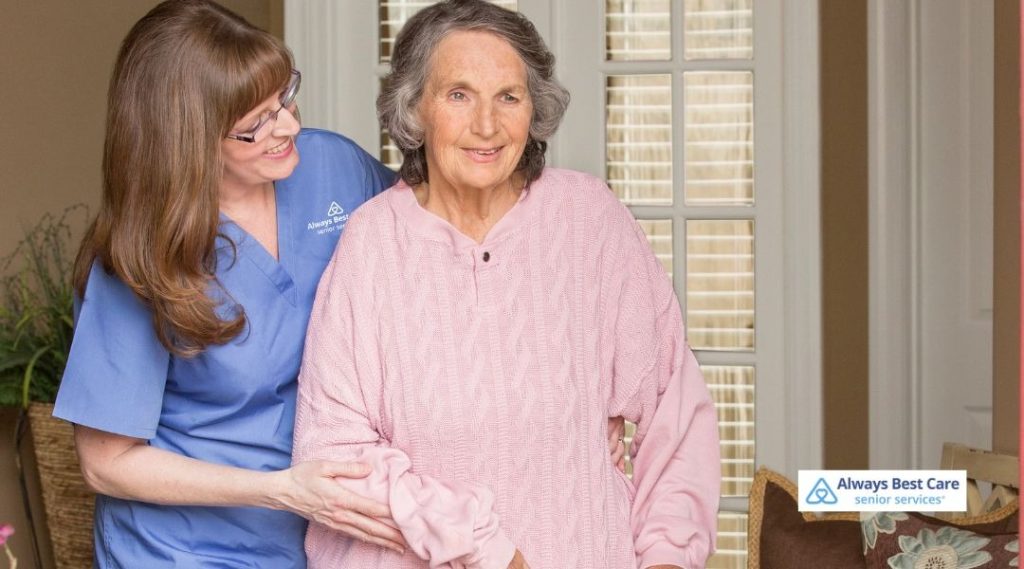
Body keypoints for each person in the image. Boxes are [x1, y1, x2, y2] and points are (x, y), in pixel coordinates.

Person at [293, 1, 721, 568]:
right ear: (415, 109)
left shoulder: (587, 219)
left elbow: (675, 406)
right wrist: (482, 547)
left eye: (509, 97)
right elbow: (334, 454)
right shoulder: (372, 245)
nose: (487, 126)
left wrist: (668, 558)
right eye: (458, 95)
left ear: (533, 109)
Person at [51, 1, 406, 566]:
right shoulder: (139, 256)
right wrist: (280, 488)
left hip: (315, 537)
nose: (287, 125)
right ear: (185, 141)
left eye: (284, 97)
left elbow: (445, 245)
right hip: (183, 549)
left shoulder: (334, 166)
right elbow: (106, 461)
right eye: (254, 125)